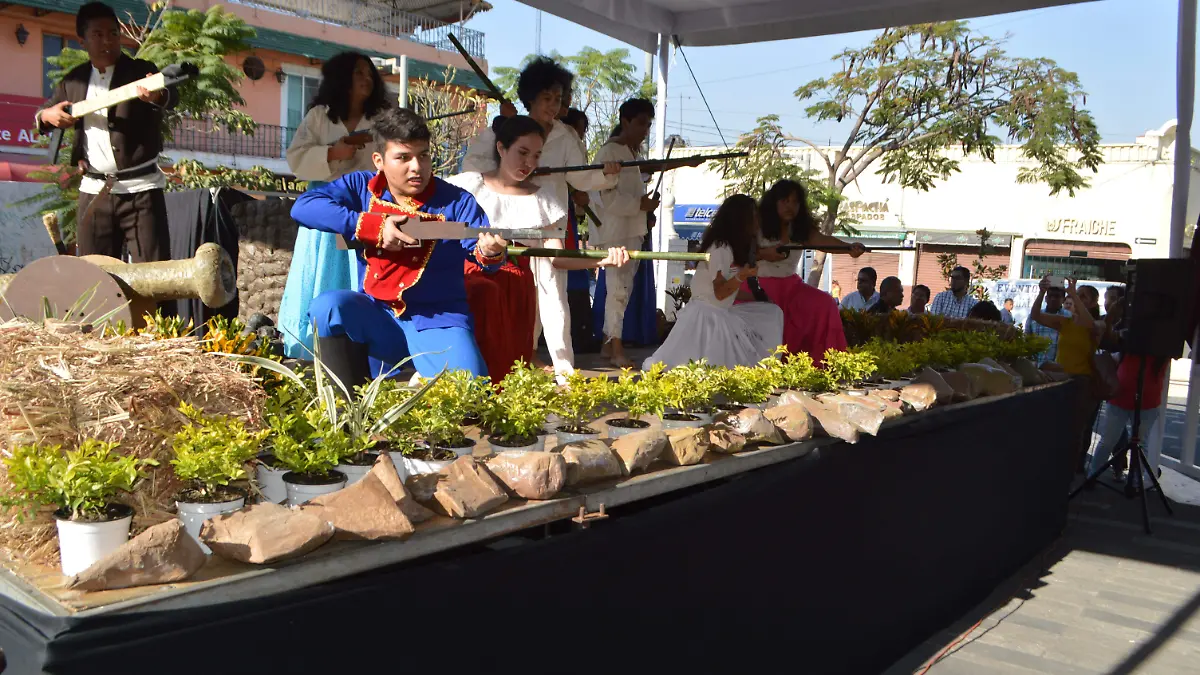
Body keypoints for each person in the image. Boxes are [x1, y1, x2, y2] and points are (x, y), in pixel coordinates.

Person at [290, 107, 505, 388]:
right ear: (378, 160)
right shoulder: (360, 187)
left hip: (438, 318)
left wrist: (490, 252)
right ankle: (345, 408)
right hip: (376, 314)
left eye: (423, 155)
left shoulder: (457, 200)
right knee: (328, 307)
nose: (417, 167)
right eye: (403, 157)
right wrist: (372, 227)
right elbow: (303, 207)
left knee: (471, 395)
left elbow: (479, 252)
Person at [463, 57, 620, 378]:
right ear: (530, 98)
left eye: (558, 99)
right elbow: (473, 166)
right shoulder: (508, 129)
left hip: (548, 222)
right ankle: (517, 359)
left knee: (553, 294)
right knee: (510, 293)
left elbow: (582, 178)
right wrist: (498, 136)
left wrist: (607, 175)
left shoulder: (565, 136)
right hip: (506, 224)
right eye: (547, 98)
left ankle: (564, 367)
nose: (553, 105)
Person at [36, 2, 178, 263]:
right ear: (82, 41)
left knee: (156, 273)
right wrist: (48, 116)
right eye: (98, 35)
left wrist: (157, 95)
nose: (108, 41)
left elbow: (170, 95)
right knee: (95, 276)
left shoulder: (140, 71)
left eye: (113, 33)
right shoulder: (73, 80)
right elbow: (44, 113)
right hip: (95, 192)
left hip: (142, 191)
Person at [278, 52, 392, 358]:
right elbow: (295, 157)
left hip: (367, 207)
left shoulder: (382, 120)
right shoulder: (319, 116)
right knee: (319, 271)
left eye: (370, 74)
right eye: (358, 73)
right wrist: (332, 152)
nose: (366, 79)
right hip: (325, 207)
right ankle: (312, 345)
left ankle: (362, 344)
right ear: (342, 78)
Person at [592, 99, 702, 367]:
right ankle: (615, 348)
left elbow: (643, 175)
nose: (645, 129)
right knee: (618, 290)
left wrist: (644, 207)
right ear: (625, 121)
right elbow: (606, 197)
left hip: (629, 229)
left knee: (623, 290)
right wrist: (640, 205)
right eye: (641, 123)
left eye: (648, 124)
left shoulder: (627, 152)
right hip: (616, 231)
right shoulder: (611, 152)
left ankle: (610, 342)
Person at [644, 195, 783, 370]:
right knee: (689, 366)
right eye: (753, 216)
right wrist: (742, 275)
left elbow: (727, 292)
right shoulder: (720, 248)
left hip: (719, 312)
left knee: (771, 312)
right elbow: (720, 292)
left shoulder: (731, 247)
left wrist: (756, 299)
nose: (757, 221)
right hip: (707, 316)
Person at [741, 180, 858, 364]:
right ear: (774, 202)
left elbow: (823, 241)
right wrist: (764, 254)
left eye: (795, 202)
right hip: (756, 286)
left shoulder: (800, 229)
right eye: (785, 201)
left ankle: (827, 365)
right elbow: (738, 253)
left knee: (825, 303)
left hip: (792, 288)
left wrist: (848, 248)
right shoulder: (757, 225)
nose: (790, 206)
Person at [1030, 276, 1104, 472]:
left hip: (1083, 383)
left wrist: (1072, 293)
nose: (1076, 298)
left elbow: (1089, 324)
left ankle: (1072, 470)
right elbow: (1036, 315)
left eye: (1083, 296)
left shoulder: (1097, 325)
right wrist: (1042, 292)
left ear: (1094, 303)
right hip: (1064, 381)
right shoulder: (1065, 322)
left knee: (1077, 430)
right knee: (1057, 428)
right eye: (1075, 295)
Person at [1087, 354, 1170, 495]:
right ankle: (1093, 476)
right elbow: (1110, 358)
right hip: (1120, 400)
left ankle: (1135, 482)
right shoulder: (1129, 345)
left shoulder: (1163, 348)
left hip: (1146, 403)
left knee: (1139, 444)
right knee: (1109, 441)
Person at [1026, 283, 1068, 365]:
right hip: (1037, 367)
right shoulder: (1033, 316)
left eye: (1057, 296)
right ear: (1045, 298)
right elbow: (1027, 339)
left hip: (1059, 369)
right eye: (1050, 296)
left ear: (1063, 299)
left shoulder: (1068, 317)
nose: (1053, 299)